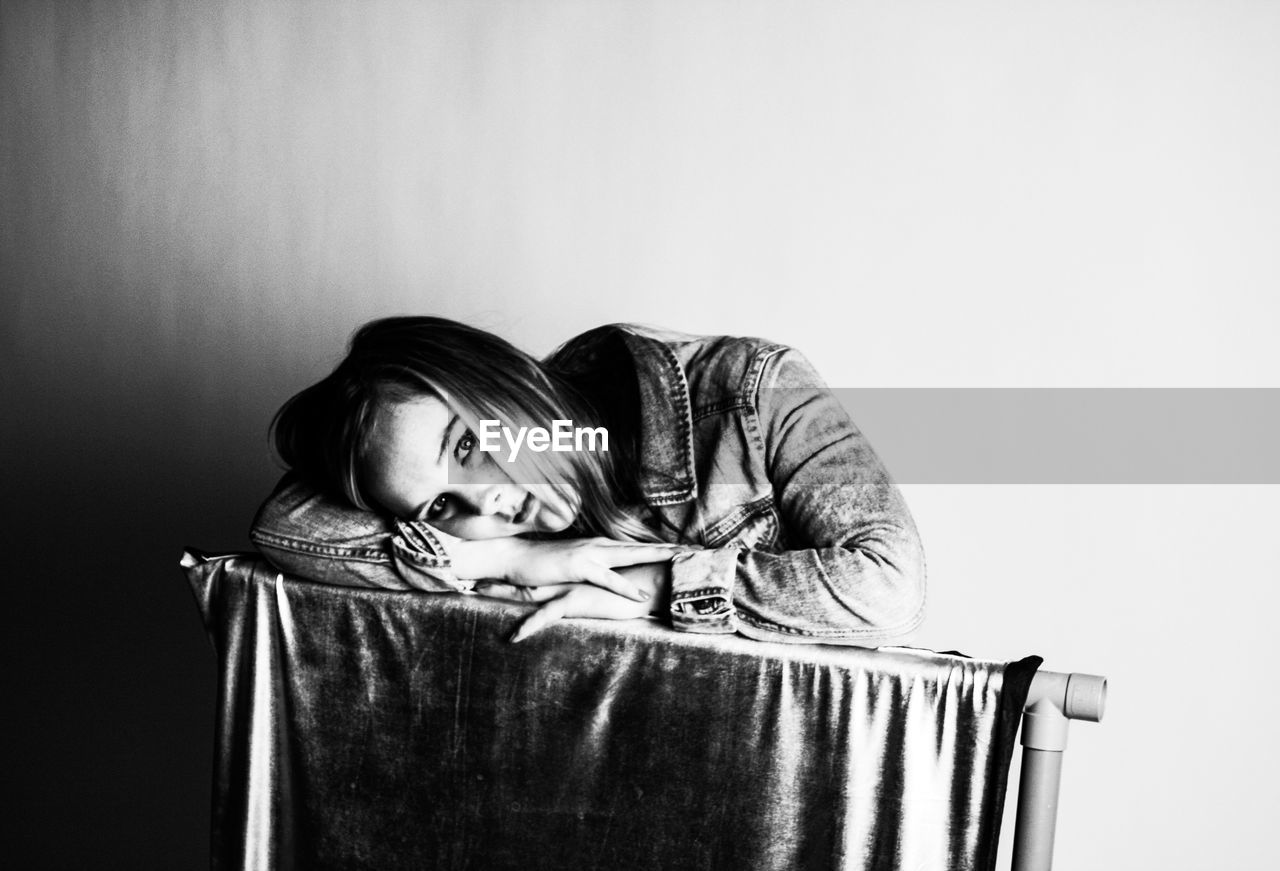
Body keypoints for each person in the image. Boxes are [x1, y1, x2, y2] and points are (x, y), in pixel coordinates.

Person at [250, 316, 926, 645]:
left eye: (467, 444)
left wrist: (650, 585)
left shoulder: (748, 390)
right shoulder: (507, 538)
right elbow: (287, 526)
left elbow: (888, 588)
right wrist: (511, 558)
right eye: (441, 505)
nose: (486, 499)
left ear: (509, 379)